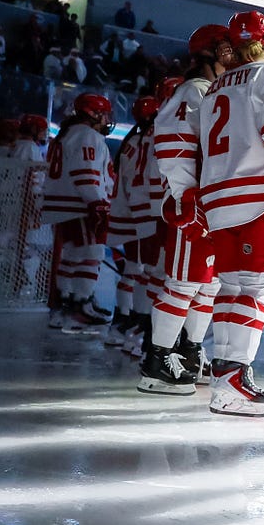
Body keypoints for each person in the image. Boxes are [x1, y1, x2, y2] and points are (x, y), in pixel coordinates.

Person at [196, 10, 264, 416]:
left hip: (218, 198)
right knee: (256, 288)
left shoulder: (216, 86)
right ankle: (234, 377)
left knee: (231, 287)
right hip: (258, 197)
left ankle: (225, 374)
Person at [145, 29, 234, 395]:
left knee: (207, 285)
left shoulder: (211, 91)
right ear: (210, 53)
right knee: (183, 283)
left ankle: (189, 351)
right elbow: (172, 144)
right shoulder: (194, 91)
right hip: (193, 205)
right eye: (227, 49)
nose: (234, 55)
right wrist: (186, 197)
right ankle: (157, 359)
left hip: (208, 204)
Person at [41, 93, 116, 333]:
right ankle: (79, 305)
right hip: (79, 204)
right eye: (103, 115)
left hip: (63, 204)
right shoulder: (88, 135)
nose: (106, 120)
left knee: (72, 254)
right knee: (92, 252)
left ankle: (62, 306)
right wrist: (97, 203)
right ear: (93, 114)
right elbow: (86, 172)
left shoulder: (66, 135)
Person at [105, 95, 160, 355]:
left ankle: (128, 324)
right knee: (149, 273)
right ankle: (139, 326)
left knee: (134, 270)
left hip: (132, 211)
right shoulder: (155, 137)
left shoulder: (134, 141)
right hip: (148, 212)